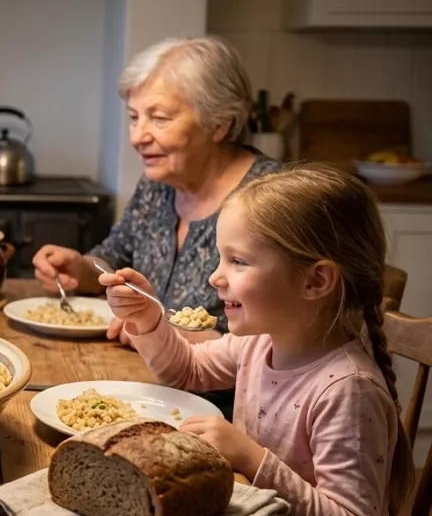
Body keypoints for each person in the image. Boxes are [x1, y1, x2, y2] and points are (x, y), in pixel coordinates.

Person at [99, 166, 414, 516]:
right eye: (220, 258)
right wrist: (149, 320)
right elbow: (186, 370)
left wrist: (251, 457)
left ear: (315, 280)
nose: (215, 277)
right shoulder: (259, 342)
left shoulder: (347, 391)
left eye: (238, 261)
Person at [33, 35, 282, 343]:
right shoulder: (157, 185)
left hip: (221, 377)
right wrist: (81, 270)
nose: (138, 137)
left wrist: (163, 334)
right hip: (140, 367)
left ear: (220, 124)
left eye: (159, 119)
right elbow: (116, 258)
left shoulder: (274, 198)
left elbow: (286, 336)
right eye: (133, 117)